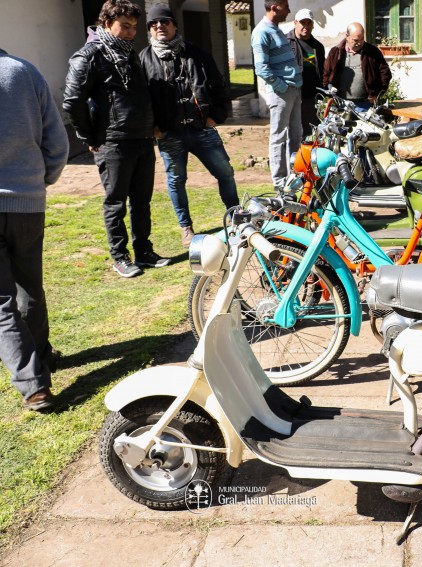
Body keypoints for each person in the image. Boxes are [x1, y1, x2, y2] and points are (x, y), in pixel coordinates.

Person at [64, 0, 169, 278]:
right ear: (107, 23)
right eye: (125, 26)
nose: (131, 32)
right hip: (112, 142)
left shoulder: (129, 52)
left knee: (142, 201)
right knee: (116, 202)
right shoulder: (88, 56)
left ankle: (144, 251)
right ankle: (120, 257)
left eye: (134, 27)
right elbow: (73, 101)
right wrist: (89, 135)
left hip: (142, 138)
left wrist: (153, 124)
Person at [0, 49, 69, 411]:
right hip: (27, 200)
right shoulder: (24, 72)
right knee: (29, 285)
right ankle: (40, 356)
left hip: (25, 196)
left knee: (1, 302)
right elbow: (57, 142)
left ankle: (33, 383)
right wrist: (41, 180)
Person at [140, 4, 239, 247]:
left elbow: (218, 84)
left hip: (202, 128)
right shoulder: (143, 59)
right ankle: (186, 227)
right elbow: (141, 99)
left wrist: (216, 115)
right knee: (176, 180)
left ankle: (237, 217)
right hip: (169, 133)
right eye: (154, 24)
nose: (159, 27)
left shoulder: (197, 53)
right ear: (150, 30)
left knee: (225, 172)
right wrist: (153, 127)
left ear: (174, 25)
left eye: (164, 22)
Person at [252, 0, 303, 188]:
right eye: (286, 6)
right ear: (274, 7)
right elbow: (261, 68)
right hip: (282, 93)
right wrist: (281, 87)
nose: (289, 11)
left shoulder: (276, 29)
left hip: (293, 90)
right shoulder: (261, 32)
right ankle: (280, 182)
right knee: (279, 137)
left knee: (296, 135)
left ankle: (295, 175)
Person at [323, 22, 391, 111]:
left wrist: (377, 94)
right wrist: (329, 90)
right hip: (341, 104)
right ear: (347, 36)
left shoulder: (372, 52)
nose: (359, 43)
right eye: (356, 40)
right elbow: (326, 74)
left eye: (362, 39)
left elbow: (385, 73)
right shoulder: (336, 52)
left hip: (366, 105)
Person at [286, 8, 325, 136]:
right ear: (295, 22)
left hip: (311, 97)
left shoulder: (318, 46)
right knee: (291, 132)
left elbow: (322, 70)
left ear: (313, 25)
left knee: (311, 132)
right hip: (291, 94)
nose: (306, 26)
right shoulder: (285, 43)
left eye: (309, 23)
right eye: (303, 23)